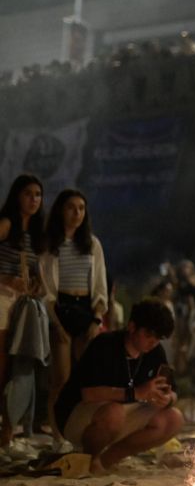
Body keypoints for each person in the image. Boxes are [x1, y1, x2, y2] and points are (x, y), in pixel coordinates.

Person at [53, 299, 180, 475]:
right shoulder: (105, 345)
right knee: (114, 413)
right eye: (149, 334)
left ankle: (107, 460)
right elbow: (88, 394)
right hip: (76, 415)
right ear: (132, 327)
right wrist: (137, 393)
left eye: (159, 337)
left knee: (174, 418)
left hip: (121, 415)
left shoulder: (155, 352)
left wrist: (167, 399)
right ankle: (90, 458)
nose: (154, 342)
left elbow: (172, 391)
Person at [41, 189, 108, 447]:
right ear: (61, 210)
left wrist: (97, 319)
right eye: (71, 207)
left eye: (81, 208)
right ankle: (58, 436)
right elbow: (47, 289)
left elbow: (100, 286)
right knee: (61, 378)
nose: (77, 213)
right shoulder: (51, 244)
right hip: (61, 307)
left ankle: (80, 432)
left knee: (88, 378)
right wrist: (55, 323)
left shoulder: (92, 244)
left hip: (86, 309)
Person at [0, 173, 46, 447]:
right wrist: (6, 278)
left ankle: (9, 428)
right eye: (29, 193)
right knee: (3, 362)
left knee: (20, 364)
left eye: (38, 195)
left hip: (24, 301)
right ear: (17, 195)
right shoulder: (7, 224)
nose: (34, 200)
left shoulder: (36, 234)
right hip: (3, 297)